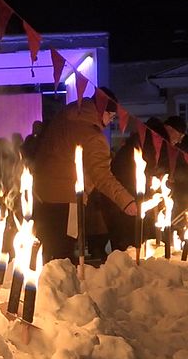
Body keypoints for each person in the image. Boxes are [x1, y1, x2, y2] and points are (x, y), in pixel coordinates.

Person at [32, 88, 137, 263]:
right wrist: (127, 202)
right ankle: (63, 287)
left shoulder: (68, 115)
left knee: (48, 247)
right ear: (102, 111)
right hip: (68, 196)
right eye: (111, 116)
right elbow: (102, 175)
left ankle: (45, 285)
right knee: (64, 253)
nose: (111, 121)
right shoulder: (91, 135)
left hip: (43, 193)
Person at [103, 115, 187, 251]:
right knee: (130, 251)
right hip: (127, 204)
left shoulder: (147, 143)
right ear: (169, 129)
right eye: (179, 136)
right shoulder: (150, 145)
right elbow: (139, 175)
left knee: (133, 251)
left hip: (129, 204)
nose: (178, 142)